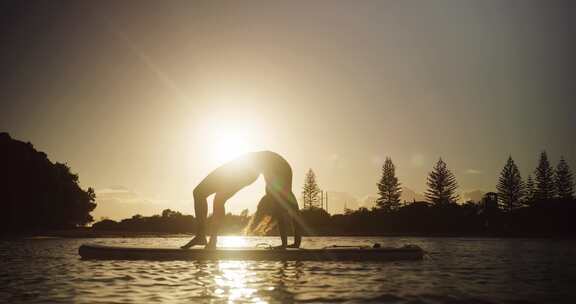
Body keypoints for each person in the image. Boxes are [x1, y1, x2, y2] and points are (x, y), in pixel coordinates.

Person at [181, 151, 302, 249]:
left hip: (245, 169)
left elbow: (285, 209)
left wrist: (292, 244)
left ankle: (205, 238)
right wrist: (291, 243)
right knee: (215, 198)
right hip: (245, 168)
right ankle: (208, 239)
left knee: (202, 193)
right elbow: (286, 208)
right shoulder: (273, 181)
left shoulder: (274, 182)